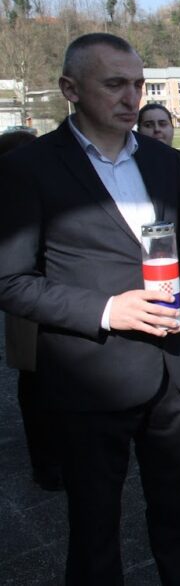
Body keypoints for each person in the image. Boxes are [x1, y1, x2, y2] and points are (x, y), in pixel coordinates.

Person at [0, 33, 180, 583]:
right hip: (90, 378)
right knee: (95, 528)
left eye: (139, 84)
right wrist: (106, 309)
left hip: (175, 369)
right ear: (70, 89)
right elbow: (11, 281)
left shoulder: (165, 161)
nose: (132, 97)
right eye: (115, 84)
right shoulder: (30, 169)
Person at [0, 130, 61, 492]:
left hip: (52, 300)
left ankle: (51, 460)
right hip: (30, 305)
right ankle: (46, 464)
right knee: (37, 387)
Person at [138, 103, 180, 207]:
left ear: (172, 128)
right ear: (138, 131)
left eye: (163, 124)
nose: (157, 129)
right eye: (148, 125)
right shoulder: (132, 169)